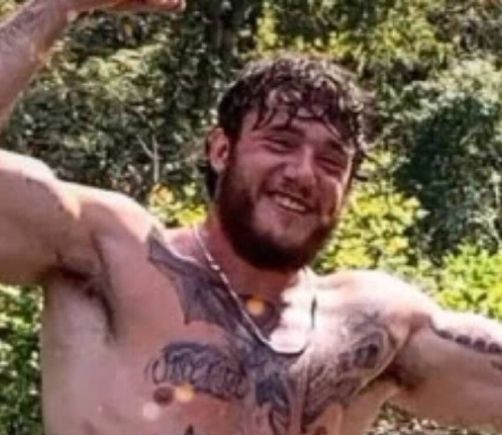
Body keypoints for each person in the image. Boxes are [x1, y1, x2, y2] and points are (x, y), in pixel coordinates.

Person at [1, 1, 502, 434]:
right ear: (221, 150)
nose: (303, 174)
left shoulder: (374, 328)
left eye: (331, 162)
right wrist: (57, 7)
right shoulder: (109, 254)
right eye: (280, 143)